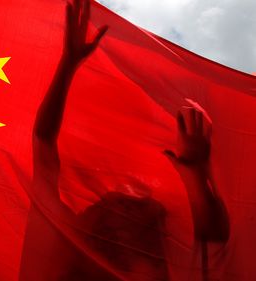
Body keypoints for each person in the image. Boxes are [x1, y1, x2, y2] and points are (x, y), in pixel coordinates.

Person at [19, 0, 229, 280]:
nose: (120, 223)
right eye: (113, 211)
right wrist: (67, 64)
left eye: (129, 212)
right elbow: (43, 146)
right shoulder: (62, 256)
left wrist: (197, 177)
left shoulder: (174, 270)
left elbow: (214, 243)